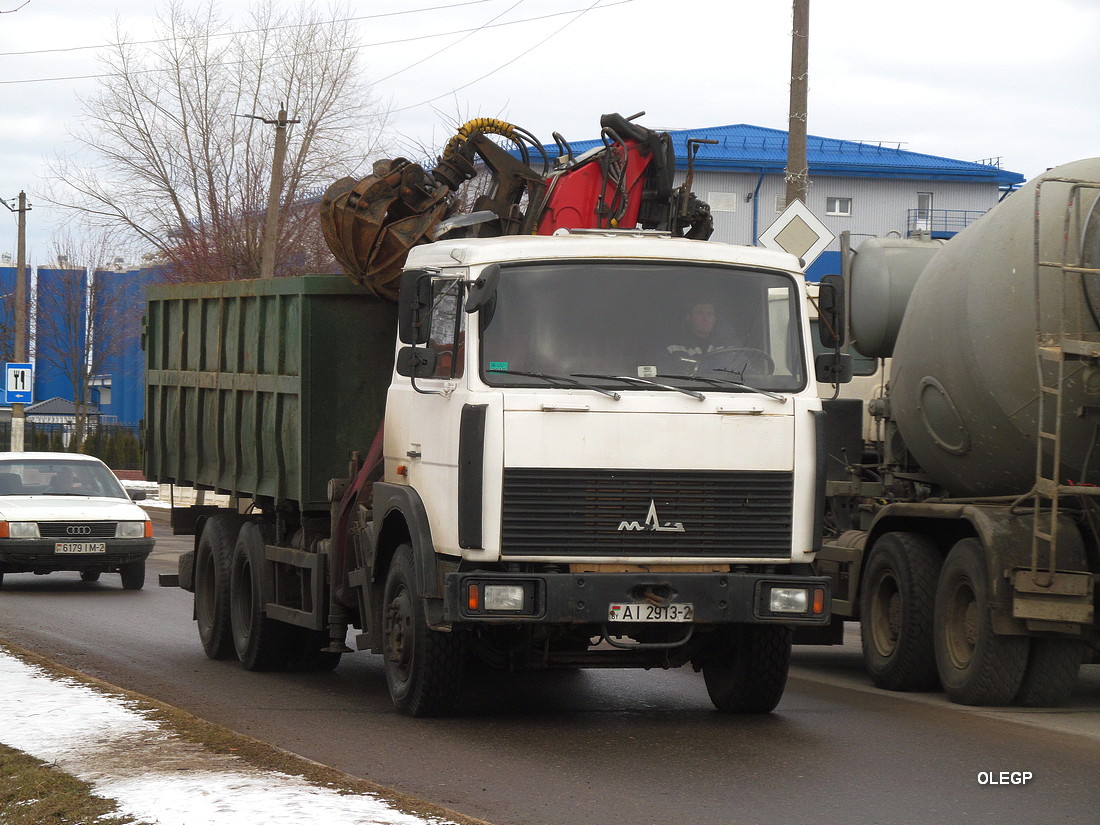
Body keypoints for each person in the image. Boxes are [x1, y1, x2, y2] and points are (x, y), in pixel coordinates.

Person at [663, 301, 732, 372]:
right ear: (689, 318)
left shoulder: (730, 346)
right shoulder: (672, 348)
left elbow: (740, 373)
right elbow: (663, 378)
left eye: (709, 314)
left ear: (715, 319)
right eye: (700, 313)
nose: (705, 319)